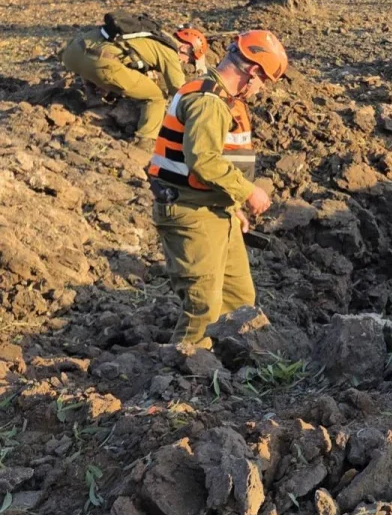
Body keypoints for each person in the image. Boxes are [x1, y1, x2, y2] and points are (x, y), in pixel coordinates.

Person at [147, 30, 287, 347]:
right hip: (191, 213)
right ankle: (183, 374)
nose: (261, 89)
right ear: (253, 72)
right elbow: (204, 160)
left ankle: (225, 367)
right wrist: (248, 192)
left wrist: (233, 206)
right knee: (203, 307)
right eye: (264, 81)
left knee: (239, 298)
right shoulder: (207, 101)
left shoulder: (222, 98)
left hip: (216, 209)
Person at [60, 18, 208, 149]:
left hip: (72, 54)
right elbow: (178, 90)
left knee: (118, 73)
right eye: (190, 59)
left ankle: (93, 95)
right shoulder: (170, 52)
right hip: (100, 64)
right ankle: (145, 141)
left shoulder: (149, 35)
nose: (186, 62)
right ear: (186, 48)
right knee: (156, 97)